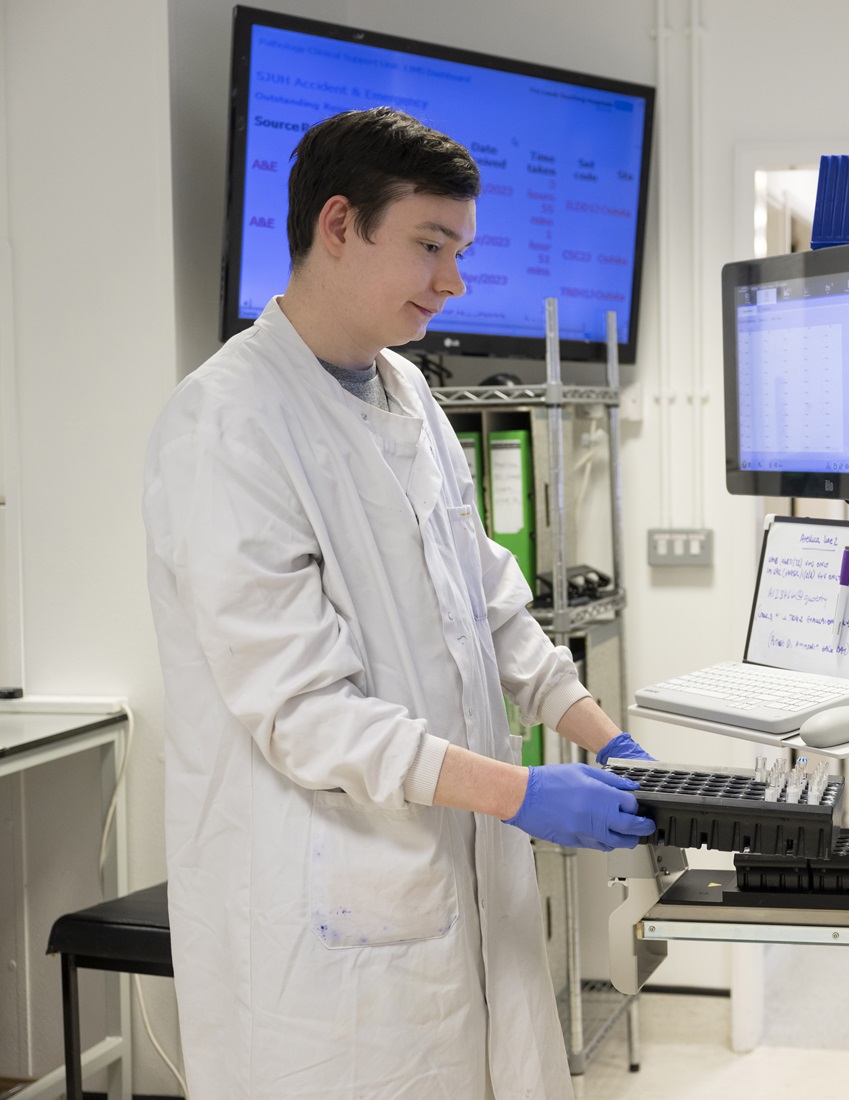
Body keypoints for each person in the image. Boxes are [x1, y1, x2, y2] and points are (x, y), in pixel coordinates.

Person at [143, 108, 653, 1099]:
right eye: (430, 245)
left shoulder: (407, 393)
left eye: (457, 250)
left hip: (452, 875)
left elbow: (490, 602)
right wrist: (521, 791)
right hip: (331, 912)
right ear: (338, 224)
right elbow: (302, 712)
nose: (452, 281)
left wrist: (597, 731)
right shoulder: (226, 424)